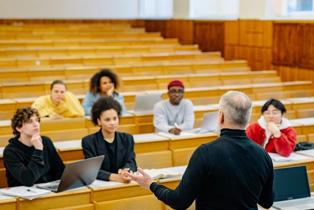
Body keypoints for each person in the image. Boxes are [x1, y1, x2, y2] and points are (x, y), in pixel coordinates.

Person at [130, 91, 274, 210]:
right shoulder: (262, 155)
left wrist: (151, 184)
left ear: (221, 116)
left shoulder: (206, 153)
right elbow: (267, 202)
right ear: (248, 118)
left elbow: (179, 202)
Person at [3, 107, 64, 187]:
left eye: (37, 120)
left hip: (48, 190)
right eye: (29, 121)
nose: (36, 124)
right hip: (24, 194)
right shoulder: (10, 151)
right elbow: (28, 180)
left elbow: (60, 170)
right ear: (19, 128)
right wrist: (38, 150)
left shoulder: (46, 141)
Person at [81, 96, 136, 183]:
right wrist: (116, 177)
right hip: (101, 184)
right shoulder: (88, 142)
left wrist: (126, 171)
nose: (112, 123)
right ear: (99, 121)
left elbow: (131, 162)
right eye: (107, 120)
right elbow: (92, 170)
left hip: (123, 182)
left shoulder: (127, 138)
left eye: (115, 118)